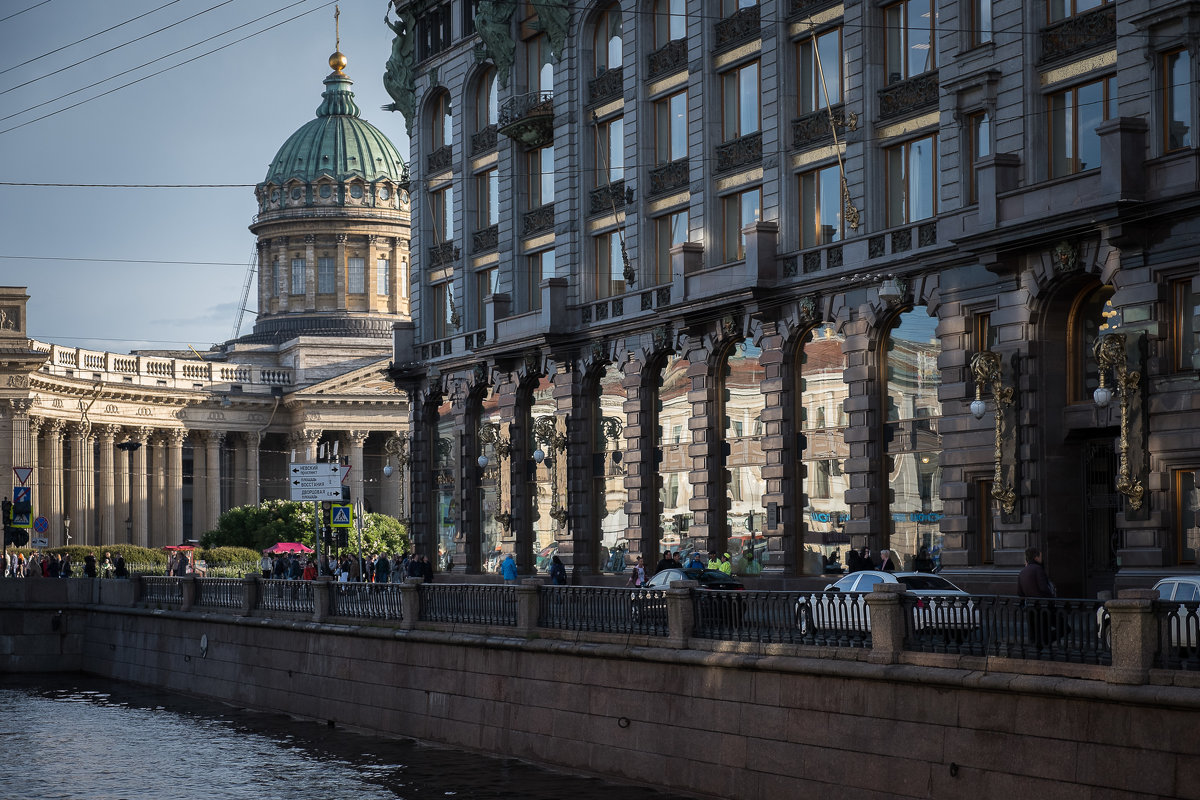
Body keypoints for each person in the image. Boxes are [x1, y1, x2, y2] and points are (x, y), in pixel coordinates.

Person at [1017, 547, 1057, 648]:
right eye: (1040, 556)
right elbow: (1044, 588)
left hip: (1030, 608)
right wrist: (1052, 600)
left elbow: (1020, 593)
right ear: (1036, 557)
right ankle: (1044, 644)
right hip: (1042, 607)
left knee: (1035, 635)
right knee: (1063, 627)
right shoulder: (1038, 569)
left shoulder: (1022, 572)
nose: (1042, 559)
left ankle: (1038, 651)